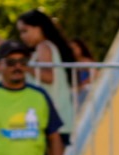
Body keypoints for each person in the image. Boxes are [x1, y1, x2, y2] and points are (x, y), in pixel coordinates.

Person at [15, 10, 76, 147]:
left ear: (39, 28)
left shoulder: (44, 47)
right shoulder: (44, 48)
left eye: (25, 31)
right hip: (56, 119)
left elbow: (49, 76)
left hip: (53, 119)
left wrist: (25, 67)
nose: (22, 36)